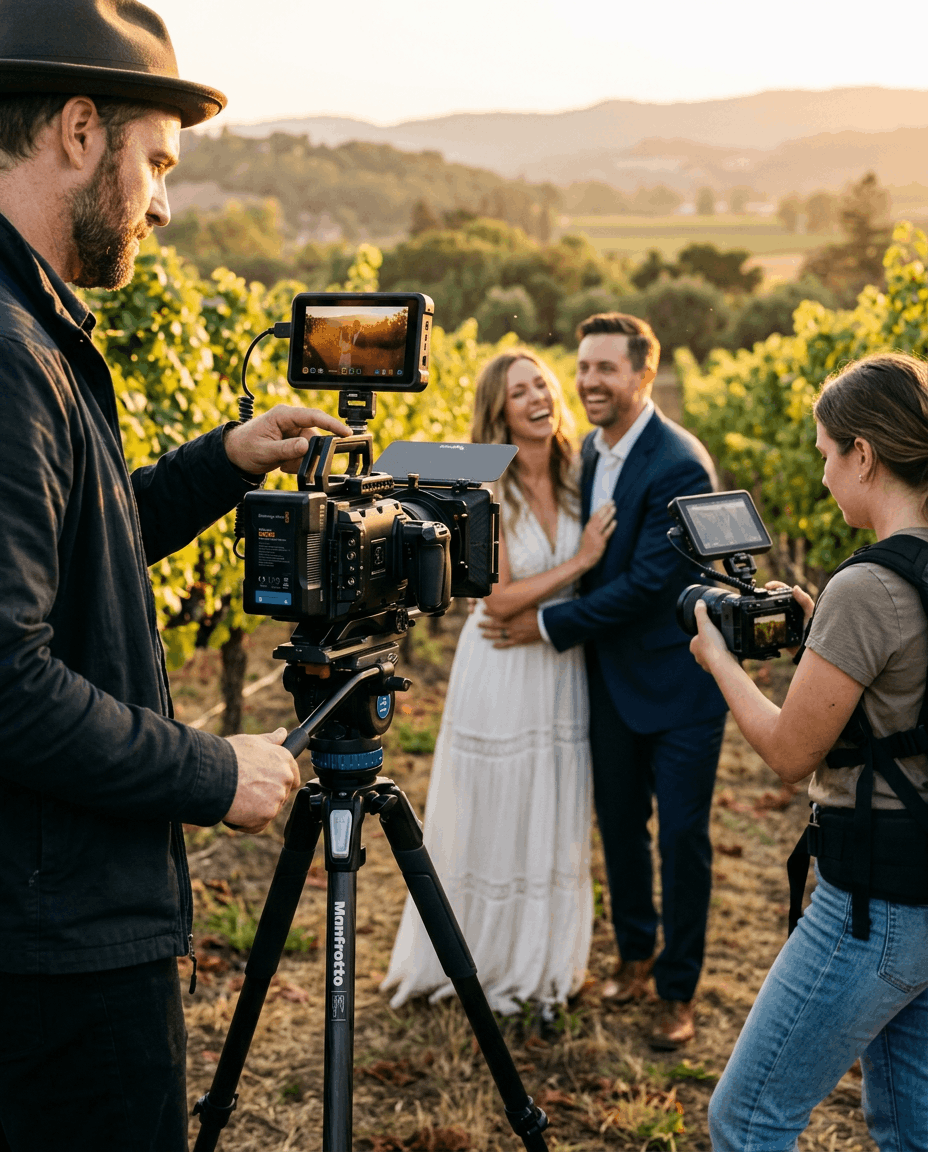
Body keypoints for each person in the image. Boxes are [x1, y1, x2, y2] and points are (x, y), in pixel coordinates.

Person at [0, 4, 351, 1150]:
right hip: (55, 955)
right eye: (157, 162)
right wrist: (214, 771)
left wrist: (223, 460)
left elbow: (75, 555)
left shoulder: (34, 331)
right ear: (79, 130)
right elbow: (7, 684)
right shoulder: (11, 358)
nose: (162, 202)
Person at [692, 352, 928, 1150]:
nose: (824, 476)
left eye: (828, 454)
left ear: (864, 454)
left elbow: (791, 754)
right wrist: (823, 626)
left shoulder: (867, 589)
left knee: (748, 1118)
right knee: (910, 1127)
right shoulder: (903, 580)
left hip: (874, 900)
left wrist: (721, 663)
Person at [480, 313, 727, 1048]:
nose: (588, 381)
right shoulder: (586, 449)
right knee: (620, 828)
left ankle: (678, 991)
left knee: (682, 840)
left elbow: (653, 583)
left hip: (679, 688)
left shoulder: (680, 461)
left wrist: (548, 626)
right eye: (582, 367)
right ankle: (634, 954)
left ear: (643, 376)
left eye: (605, 369)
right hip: (607, 684)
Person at [381, 349, 616, 1015]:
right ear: (500, 411)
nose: (539, 396)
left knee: (554, 803)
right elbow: (500, 600)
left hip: (555, 665)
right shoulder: (489, 488)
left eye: (542, 383)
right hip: (503, 668)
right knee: (501, 805)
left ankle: (543, 961)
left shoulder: (577, 476)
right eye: (520, 392)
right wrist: (585, 558)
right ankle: (482, 960)